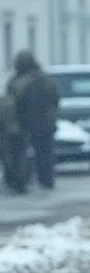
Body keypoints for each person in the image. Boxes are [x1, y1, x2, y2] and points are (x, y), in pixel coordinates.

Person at [6, 50, 59, 190]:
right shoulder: (46, 80)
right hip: (43, 124)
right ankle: (45, 180)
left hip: (24, 124)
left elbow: (12, 102)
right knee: (44, 154)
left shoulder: (17, 81)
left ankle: (21, 182)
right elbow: (55, 100)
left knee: (21, 154)